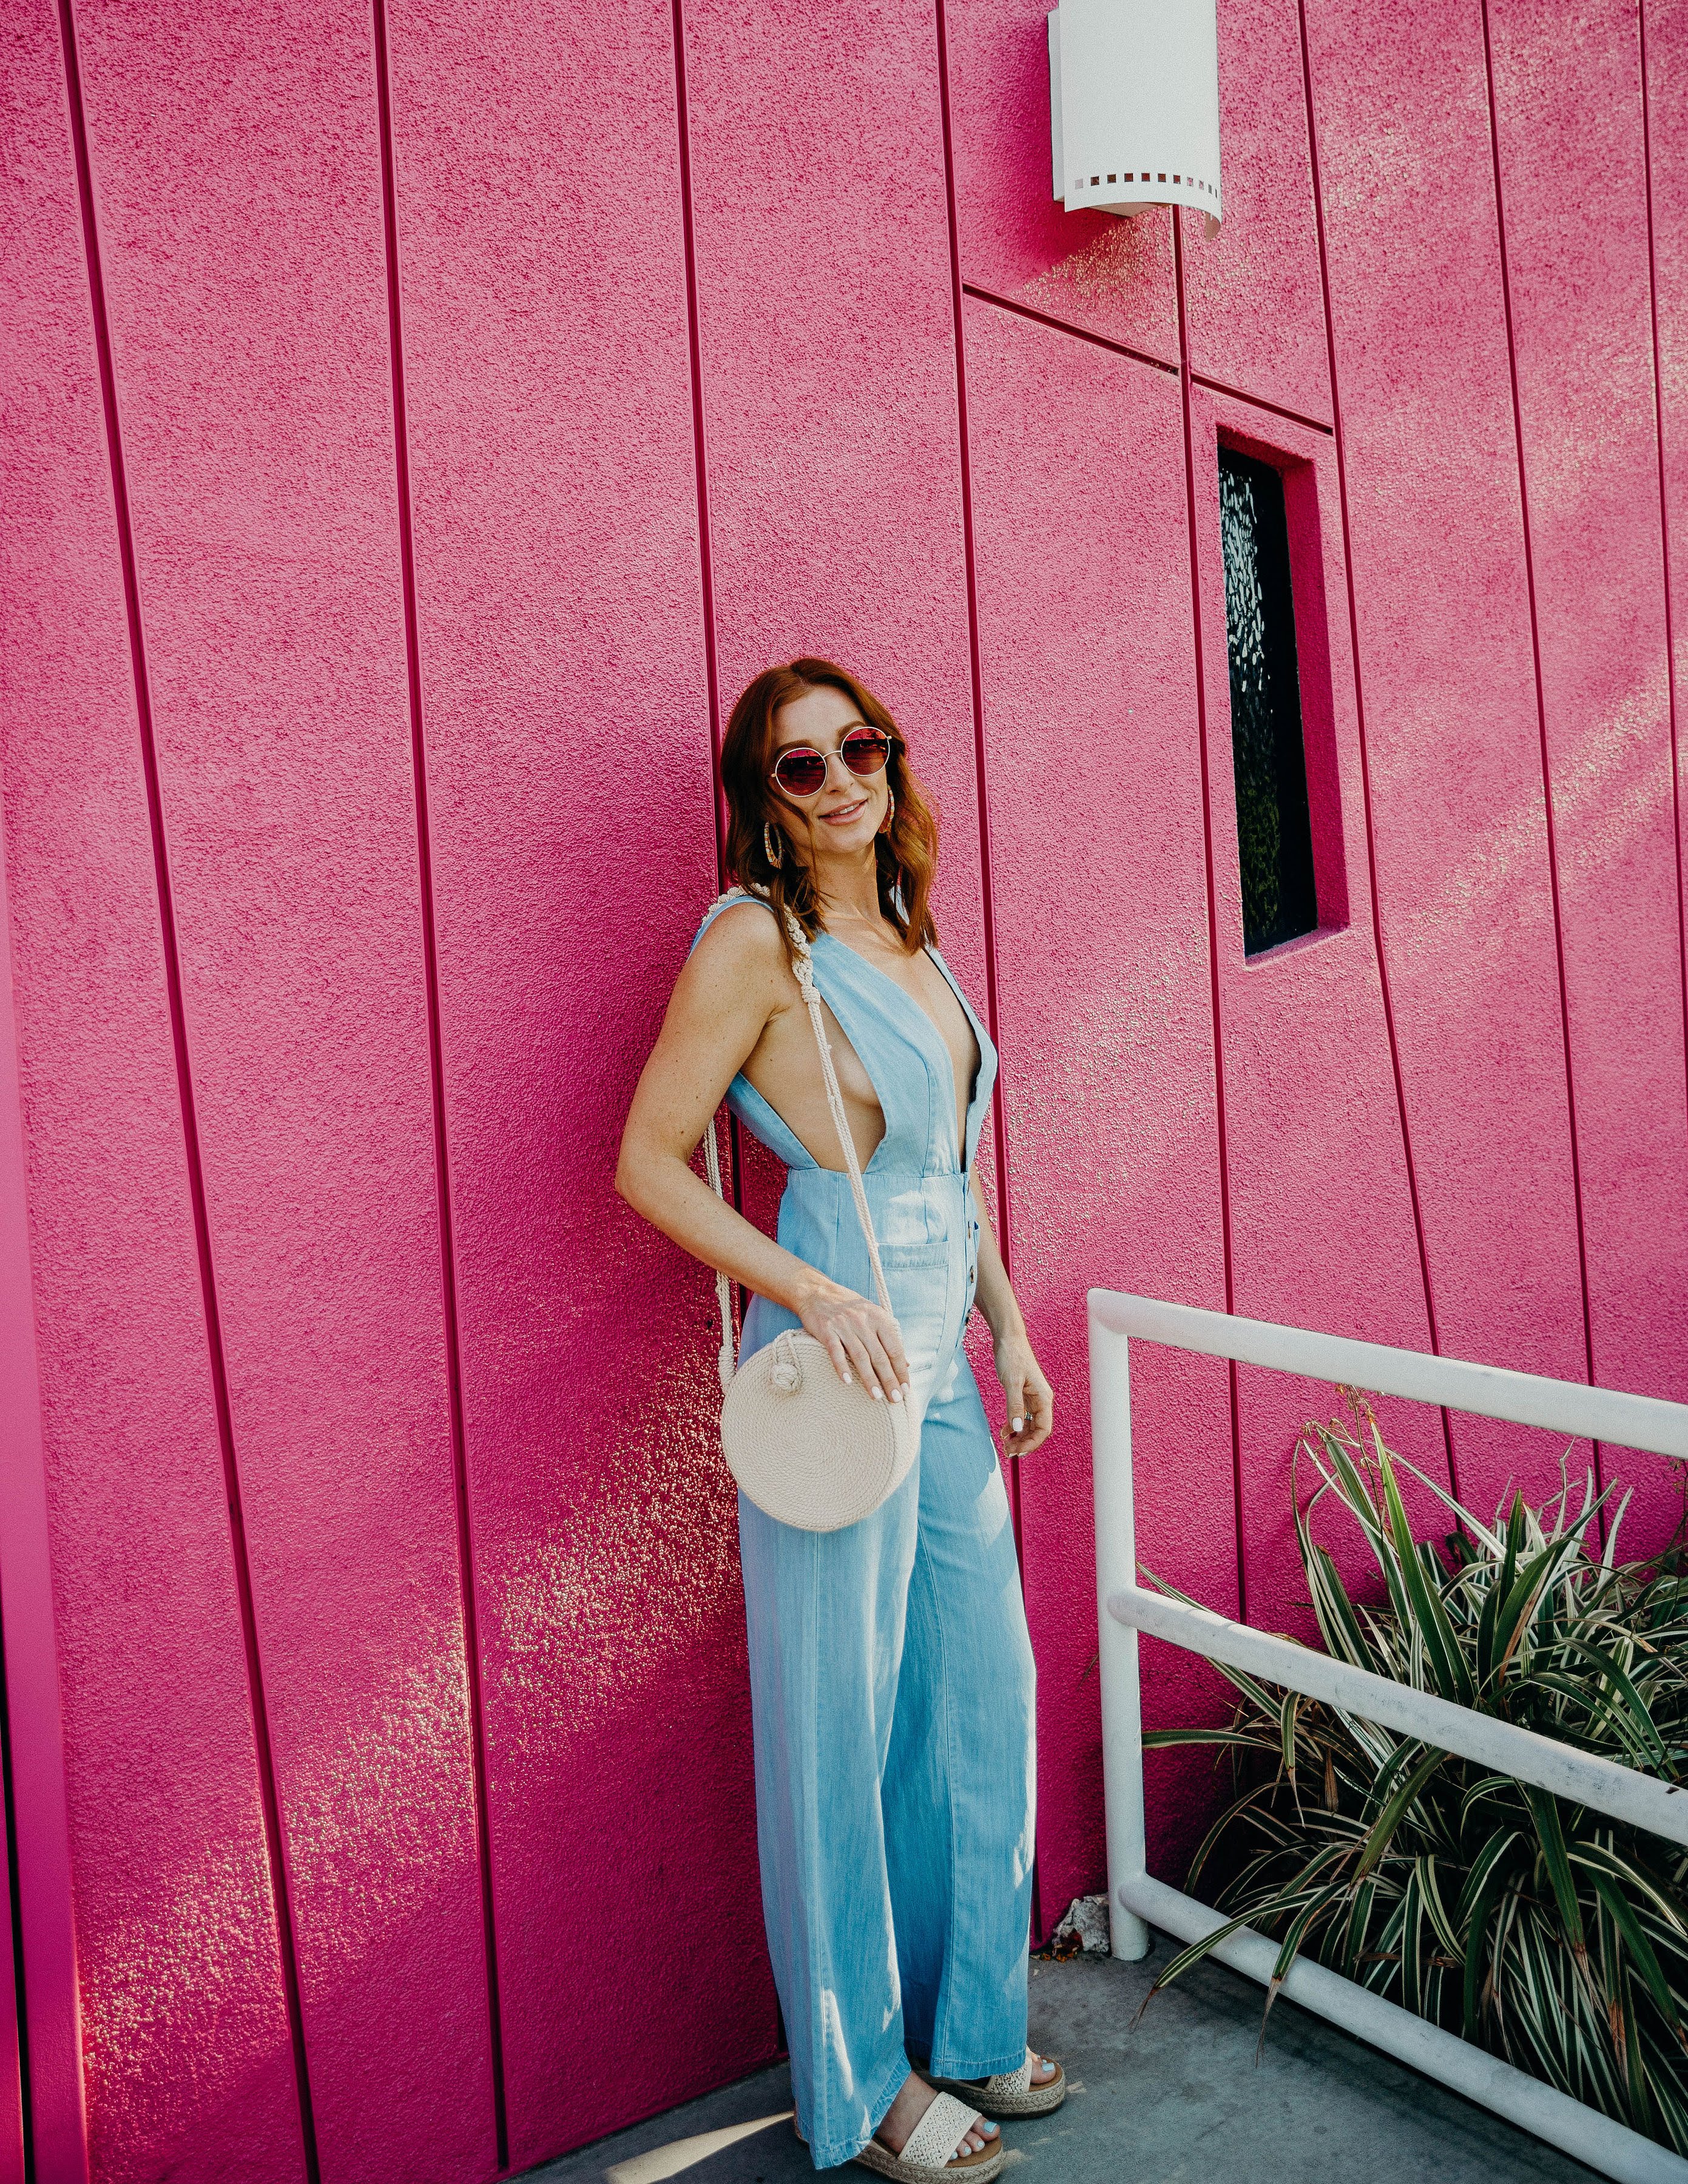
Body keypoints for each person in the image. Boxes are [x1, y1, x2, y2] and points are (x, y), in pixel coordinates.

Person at [616, 659, 1061, 2179]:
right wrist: (805, 1294)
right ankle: (862, 2086)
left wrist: (1007, 1327)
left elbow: (950, 1170)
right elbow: (647, 1159)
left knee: (983, 1691)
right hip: (844, 1351)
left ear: (889, 759)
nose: (838, 781)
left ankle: (973, 2027)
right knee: (838, 1722)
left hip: (944, 1357)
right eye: (798, 766)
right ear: (764, 801)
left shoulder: (911, 935)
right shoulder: (755, 940)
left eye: (856, 747)